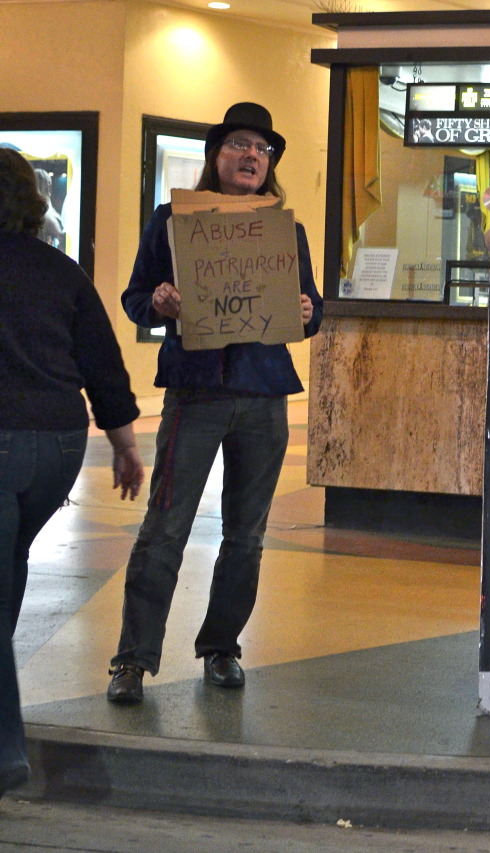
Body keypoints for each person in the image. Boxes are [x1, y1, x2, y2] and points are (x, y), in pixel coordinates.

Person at [107, 103, 323, 705]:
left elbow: (310, 305)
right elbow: (134, 297)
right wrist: (160, 302)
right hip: (195, 391)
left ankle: (221, 647)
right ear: (216, 156)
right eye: (240, 145)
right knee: (164, 530)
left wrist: (310, 313)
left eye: (262, 148)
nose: (252, 156)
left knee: (246, 537)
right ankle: (132, 660)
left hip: (264, 396)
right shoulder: (171, 222)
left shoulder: (287, 230)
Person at [0, 148, 145, 793]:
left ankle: (6, 752)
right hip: (57, 449)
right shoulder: (62, 273)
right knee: (9, 567)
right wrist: (124, 444)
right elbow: (103, 364)